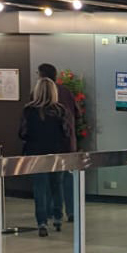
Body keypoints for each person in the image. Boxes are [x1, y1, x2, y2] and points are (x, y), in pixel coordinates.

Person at [19, 78, 73, 236]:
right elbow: (66, 132)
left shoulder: (28, 110)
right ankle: (57, 217)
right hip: (56, 153)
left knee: (39, 188)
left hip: (35, 154)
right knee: (57, 185)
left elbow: (22, 133)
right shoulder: (60, 110)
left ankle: (41, 222)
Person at [37, 63, 78, 223]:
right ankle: (71, 211)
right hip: (68, 144)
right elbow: (77, 114)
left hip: (47, 147)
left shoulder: (39, 94)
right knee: (66, 178)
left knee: (49, 181)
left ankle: (51, 212)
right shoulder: (66, 92)